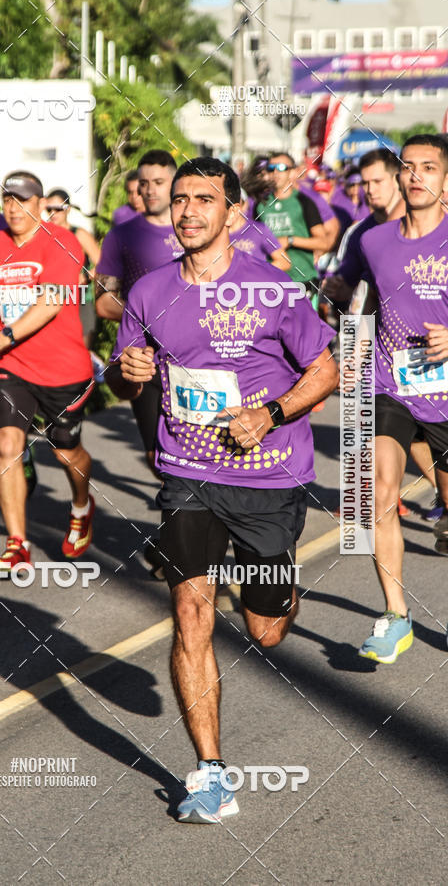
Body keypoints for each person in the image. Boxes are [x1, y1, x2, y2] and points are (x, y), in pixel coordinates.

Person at [106, 157, 338, 822]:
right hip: (189, 472)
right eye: (179, 200)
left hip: (270, 475)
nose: (187, 211)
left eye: (204, 200)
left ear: (234, 214)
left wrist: (271, 414)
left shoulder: (275, 288)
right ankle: (210, 772)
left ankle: (280, 590)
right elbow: (127, 380)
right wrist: (129, 370)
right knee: (191, 615)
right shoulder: (150, 292)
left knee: (264, 631)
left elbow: (325, 371)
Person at [0, 171, 95, 570]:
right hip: (10, 368)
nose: (14, 208)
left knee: (67, 452)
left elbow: (51, 303)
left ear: (38, 204)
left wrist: (3, 336)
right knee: (7, 446)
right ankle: (18, 543)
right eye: (8, 200)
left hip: (61, 367)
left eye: (23, 200)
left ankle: (82, 506)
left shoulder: (62, 242)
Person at [354, 135, 448, 663]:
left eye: (428, 168)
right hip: (390, 388)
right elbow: (363, 298)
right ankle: (395, 616)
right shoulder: (375, 241)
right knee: (378, 495)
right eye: (407, 167)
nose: (415, 177)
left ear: (446, 180)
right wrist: (350, 348)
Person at [324, 148, 442, 521]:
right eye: (365, 183)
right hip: (386, 361)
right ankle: (376, 499)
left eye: (378, 181)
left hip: (438, 365)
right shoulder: (364, 235)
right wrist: (349, 353)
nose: (371, 190)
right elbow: (357, 295)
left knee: (425, 435)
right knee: (388, 443)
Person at [96, 149, 182, 479]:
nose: (150, 190)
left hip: (199, 353)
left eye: (159, 182)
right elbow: (104, 303)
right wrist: (148, 317)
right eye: (144, 183)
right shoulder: (122, 236)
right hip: (143, 356)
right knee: (155, 455)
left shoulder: (196, 228)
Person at [256, 154, 328, 304]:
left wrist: (290, 240)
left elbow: (323, 242)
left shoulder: (303, 202)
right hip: (271, 281)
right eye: (271, 169)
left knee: (305, 327)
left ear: (293, 172)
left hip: (302, 280)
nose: (275, 173)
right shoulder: (261, 205)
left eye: (281, 168)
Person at [43, 189, 101, 348]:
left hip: (81, 299)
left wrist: (85, 277)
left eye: (58, 209)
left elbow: (103, 264)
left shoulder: (79, 234)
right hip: (51, 299)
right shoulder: (42, 234)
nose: (53, 213)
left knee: (81, 349)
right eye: (49, 209)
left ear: (68, 209)